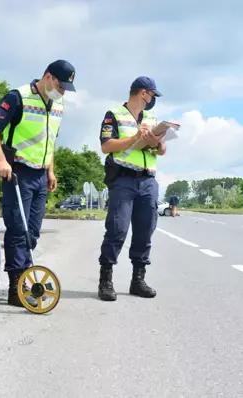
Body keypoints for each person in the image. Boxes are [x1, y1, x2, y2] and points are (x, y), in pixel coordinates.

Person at [0, 60, 76, 307]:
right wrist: (1, 161)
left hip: (41, 176)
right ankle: (16, 287)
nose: (63, 91)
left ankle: (22, 277)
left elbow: (50, 139)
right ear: (47, 77)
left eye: (67, 88)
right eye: (60, 85)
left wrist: (51, 171)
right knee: (17, 230)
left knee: (32, 232)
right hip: (18, 172)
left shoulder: (58, 104)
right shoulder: (18, 97)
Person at [97, 76, 167, 302]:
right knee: (117, 229)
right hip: (123, 180)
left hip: (148, 181)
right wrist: (135, 138)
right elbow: (106, 145)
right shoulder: (114, 115)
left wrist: (156, 141)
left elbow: (162, 150)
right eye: (152, 95)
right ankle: (105, 280)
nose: (152, 100)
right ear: (143, 93)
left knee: (145, 231)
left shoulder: (151, 117)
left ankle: (138, 280)